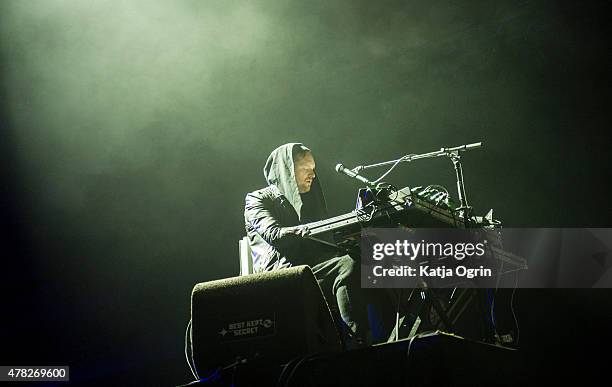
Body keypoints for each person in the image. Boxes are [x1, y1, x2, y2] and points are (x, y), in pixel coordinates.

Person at [244, 143, 372, 347]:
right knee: (348, 265)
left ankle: (399, 334)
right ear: (286, 170)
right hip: (284, 274)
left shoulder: (310, 203)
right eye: (305, 169)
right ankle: (357, 343)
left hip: (312, 270)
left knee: (377, 261)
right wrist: (304, 230)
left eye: (313, 170)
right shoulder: (257, 199)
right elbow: (274, 234)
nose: (312, 174)